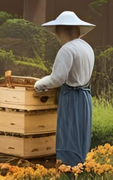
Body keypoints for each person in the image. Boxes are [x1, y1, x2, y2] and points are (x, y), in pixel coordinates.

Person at [35, 11, 96, 167]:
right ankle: (81, 168)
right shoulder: (87, 47)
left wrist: (39, 84)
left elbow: (57, 78)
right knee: (81, 135)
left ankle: (68, 170)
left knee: (69, 134)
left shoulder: (67, 49)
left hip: (71, 96)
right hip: (85, 96)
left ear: (60, 31)